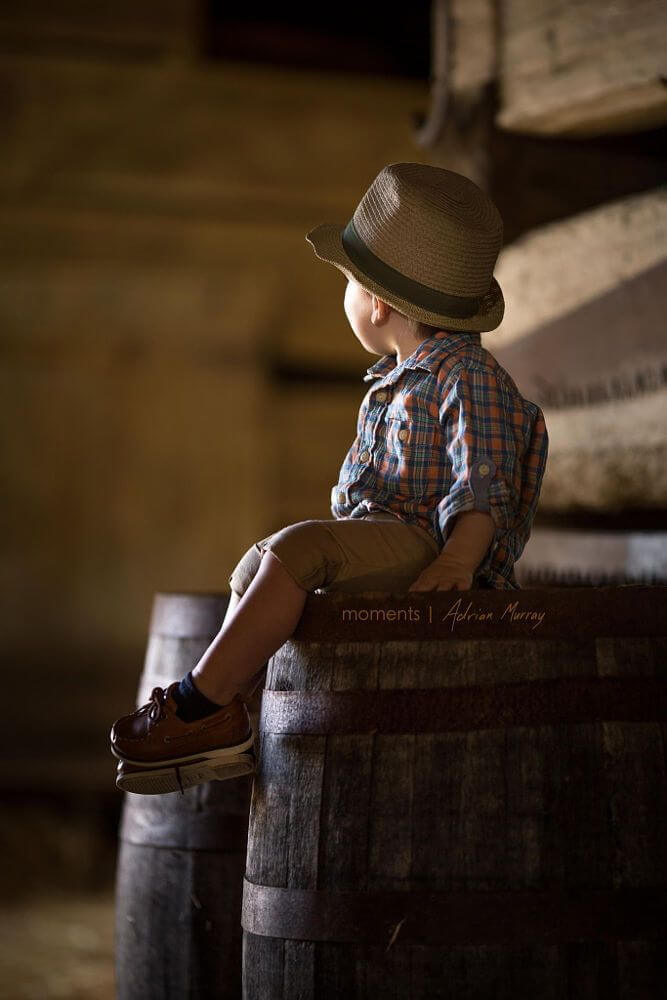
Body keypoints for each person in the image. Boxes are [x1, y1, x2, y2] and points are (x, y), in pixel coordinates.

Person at [110, 162, 548, 795]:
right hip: (391, 535)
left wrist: (458, 561)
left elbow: (483, 480)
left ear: (376, 302)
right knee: (255, 564)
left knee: (297, 548)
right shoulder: (397, 381)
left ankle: (200, 704)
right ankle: (233, 710)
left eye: (346, 281)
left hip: (428, 544)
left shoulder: (467, 378)